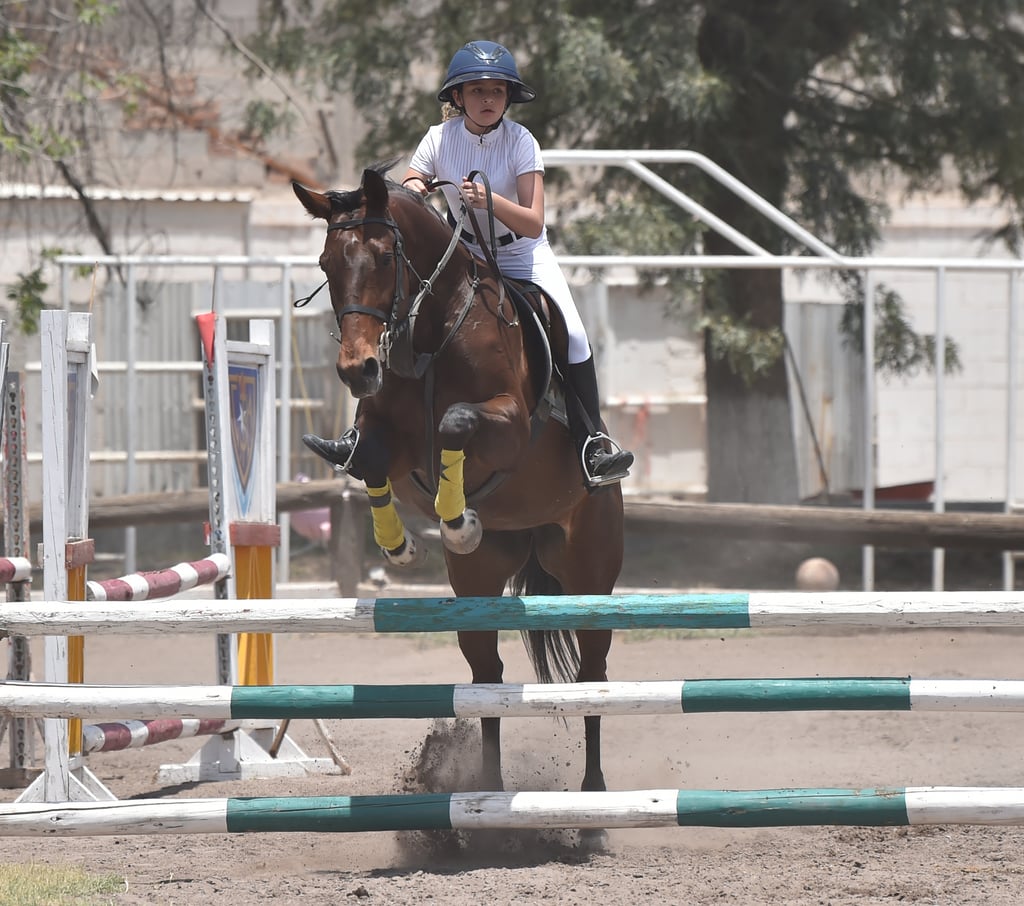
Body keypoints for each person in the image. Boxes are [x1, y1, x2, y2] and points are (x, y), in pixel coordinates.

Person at [307, 40, 632, 488]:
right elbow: (412, 181)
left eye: (496, 92)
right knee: (401, 319)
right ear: (457, 97)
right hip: (465, 258)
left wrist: (491, 202)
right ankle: (360, 432)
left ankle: (593, 440)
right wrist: (417, 187)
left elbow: (534, 222)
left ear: (506, 98)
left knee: (573, 332)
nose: (487, 100)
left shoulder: (522, 141)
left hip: (523, 255)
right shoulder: (439, 138)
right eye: (476, 91)